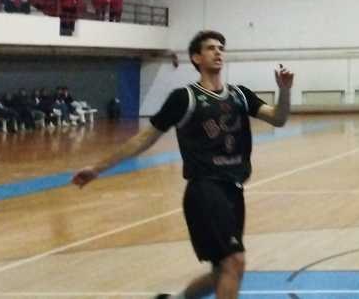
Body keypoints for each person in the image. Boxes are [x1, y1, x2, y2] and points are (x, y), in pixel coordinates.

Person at [71, 31, 294, 299]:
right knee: (234, 261)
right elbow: (143, 138)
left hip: (233, 191)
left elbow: (279, 118)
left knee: (222, 271)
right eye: (210, 48)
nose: (218, 51)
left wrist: (284, 90)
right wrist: (97, 168)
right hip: (205, 189)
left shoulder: (239, 95)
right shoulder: (184, 98)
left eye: (221, 47)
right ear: (196, 58)